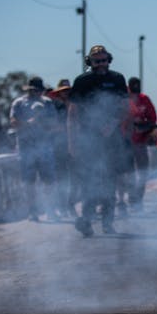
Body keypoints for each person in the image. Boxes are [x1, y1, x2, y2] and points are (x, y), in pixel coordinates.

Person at [68, 45, 128, 237]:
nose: (101, 65)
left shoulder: (117, 79)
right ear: (90, 62)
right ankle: (86, 220)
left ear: (109, 60)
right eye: (96, 61)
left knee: (110, 180)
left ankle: (108, 223)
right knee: (90, 181)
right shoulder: (81, 81)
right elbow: (72, 114)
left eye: (103, 60)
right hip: (89, 139)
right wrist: (72, 142)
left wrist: (113, 123)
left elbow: (125, 107)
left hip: (111, 137)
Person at [9, 77, 57, 222]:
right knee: (28, 181)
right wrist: (28, 123)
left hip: (44, 147)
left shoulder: (47, 103)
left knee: (48, 181)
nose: (35, 92)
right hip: (26, 148)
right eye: (33, 89)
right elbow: (13, 122)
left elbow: (54, 123)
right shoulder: (19, 103)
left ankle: (50, 209)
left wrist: (44, 122)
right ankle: (33, 211)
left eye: (38, 90)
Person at [125, 77, 156, 210]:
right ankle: (131, 199)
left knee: (143, 171)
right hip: (125, 143)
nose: (136, 87)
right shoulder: (123, 99)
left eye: (138, 85)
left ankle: (138, 199)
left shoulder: (144, 99)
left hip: (140, 142)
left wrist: (144, 127)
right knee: (128, 173)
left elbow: (152, 119)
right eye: (133, 85)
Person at [49, 79, 76, 217]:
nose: (65, 93)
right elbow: (51, 126)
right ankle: (61, 206)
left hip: (75, 145)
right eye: (63, 90)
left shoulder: (75, 104)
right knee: (61, 178)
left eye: (67, 90)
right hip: (59, 146)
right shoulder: (53, 106)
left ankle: (71, 205)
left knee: (75, 178)